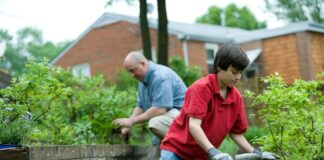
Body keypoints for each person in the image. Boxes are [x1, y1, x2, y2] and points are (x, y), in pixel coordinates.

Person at [160, 43, 280, 160]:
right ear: (219, 66)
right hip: (176, 152)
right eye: (234, 72)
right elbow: (194, 126)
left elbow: (236, 133)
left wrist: (259, 154)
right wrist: (214, 152)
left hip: (201, 155)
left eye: (241, 72)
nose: (238, 77)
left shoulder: (236, 98)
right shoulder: (201, 88)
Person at [112, 51, 187, 150]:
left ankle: (187, 147)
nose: (131, 75)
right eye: (129, 72)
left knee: (155, 123)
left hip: (184, 119)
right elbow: (140, 106)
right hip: (167, 119)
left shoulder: (160, 76)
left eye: (132, 70)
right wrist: (127, 125)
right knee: (156, 151)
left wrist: (132, 121)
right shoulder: (142, 80)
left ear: (143, 64)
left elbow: (160, 109)